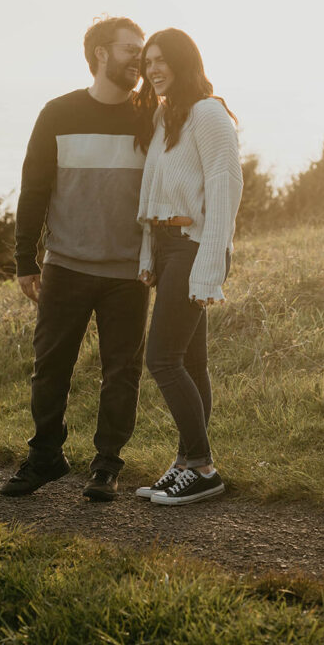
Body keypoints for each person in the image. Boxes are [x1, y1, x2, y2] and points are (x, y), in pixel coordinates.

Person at [0, 16, 150, 502]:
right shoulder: (57, 113)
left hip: (129, 272)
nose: (140, 59)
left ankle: (106, 464)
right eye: (131, 49)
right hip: (65, 264)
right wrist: (26, 260)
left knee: (122, 371)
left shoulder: (152, 117)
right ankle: (46, 455)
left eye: (142, 50)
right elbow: (34, 189)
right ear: (101, 53)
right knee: (50, 368)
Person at [134, 28, 243, 505]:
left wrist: (210, 262)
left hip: (194, 246)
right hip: (166, 245)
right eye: (147, 62)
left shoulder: (207, 113)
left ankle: (201, 466)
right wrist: (148, 254)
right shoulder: (165, 116)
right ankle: (186, 463)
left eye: (161, 60)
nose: (153, 69)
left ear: (183, 60)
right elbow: (155, 192)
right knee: (190, 361)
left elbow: (226, 186)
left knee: (161, 358)